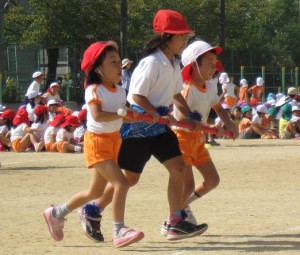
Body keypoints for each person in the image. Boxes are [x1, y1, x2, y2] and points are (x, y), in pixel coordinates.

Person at [79, 9, 208, 242]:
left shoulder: (173, 62)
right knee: (129, 179)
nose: (184, 41)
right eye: (181, 36)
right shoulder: (152, 62)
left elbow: (176, 94)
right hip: (137, 126)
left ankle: (175, 221)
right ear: (166, 37)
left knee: (178, 168)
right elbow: (136, 96)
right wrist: (155, 114)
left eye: (186, 36)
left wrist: (190, 118)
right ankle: (92, 210)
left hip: (159, 126)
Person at [44, 40, 144, 248]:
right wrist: (122, 114)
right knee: (121, 183)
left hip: (113, 141)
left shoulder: (119, 89)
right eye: (113, 62)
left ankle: (56, 213)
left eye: (118, 61)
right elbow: (98, 115)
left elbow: (119, 114)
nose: (119, 66)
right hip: (97, 143)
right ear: (98, 67)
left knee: (94, 192)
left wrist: (131, 116)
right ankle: (119, 230)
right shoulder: (94, 89)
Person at [165, 40, 238, 234]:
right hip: (182, 138)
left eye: (215, 62)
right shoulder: (187, 87)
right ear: (194, 64)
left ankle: (181, 208)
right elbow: (181, 118)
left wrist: (229, 124)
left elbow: (217, 106)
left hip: (197, 139)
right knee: (187, 184)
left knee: (212, 180)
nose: (215, 67)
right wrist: (209, 127)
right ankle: (172, 220)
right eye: (210, 62)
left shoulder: (209, 86)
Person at [206, 60, 224, 146]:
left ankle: (211, 138)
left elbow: (215, 90)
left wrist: (217, 99)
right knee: (206, 120)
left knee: (212, 120)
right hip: (206, 100)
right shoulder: (206, 78)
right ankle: (205, 139)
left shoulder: (215, 78)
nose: (217, 72)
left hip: (213, 100)